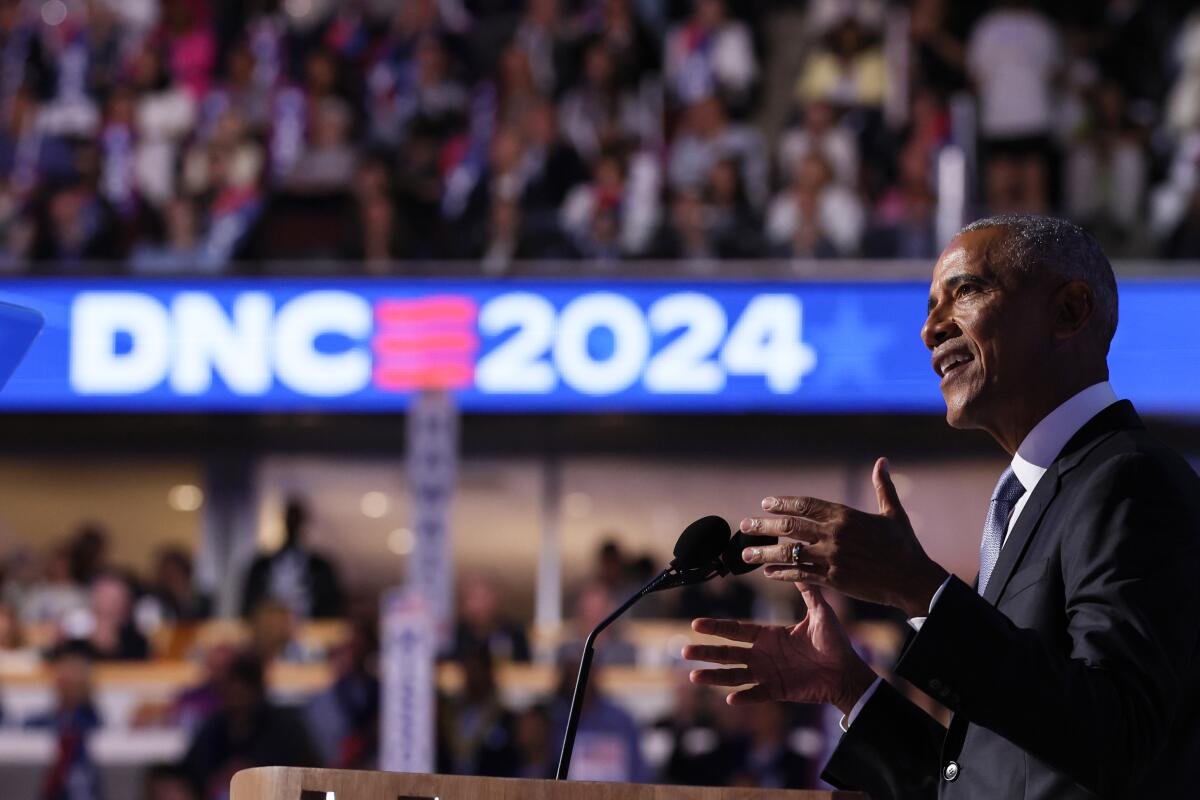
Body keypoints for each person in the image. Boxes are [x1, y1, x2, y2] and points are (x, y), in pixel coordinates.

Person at [686, 215, 1200, 798]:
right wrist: (852, 689)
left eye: (967, 291)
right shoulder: (1026, 504)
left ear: (1069, 311)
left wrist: (915, 587)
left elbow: (1119, 739)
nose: (931, 328)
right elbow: (989, 781)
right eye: (932, 304)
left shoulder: (1130, 479)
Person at [240, 498, 345, 620]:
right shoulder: (262, 565)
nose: (293, 525)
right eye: (290, 519)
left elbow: (332, 605)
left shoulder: (321, 567)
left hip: (311, 628)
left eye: (297, 520)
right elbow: (249, 602)